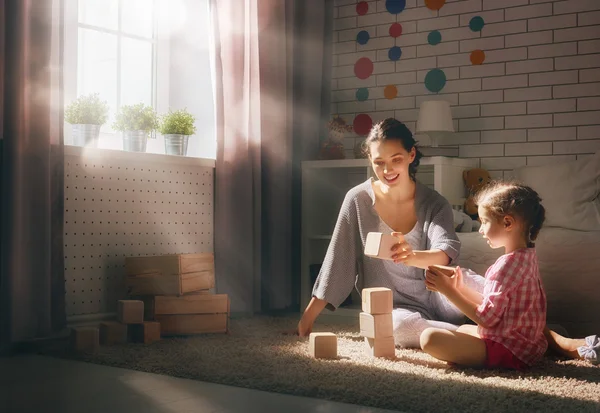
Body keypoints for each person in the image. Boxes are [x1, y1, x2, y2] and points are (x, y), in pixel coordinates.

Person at [297, 118, 485, 347]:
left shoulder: (435, 202)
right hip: (393, 308)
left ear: (411, 155)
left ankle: (516, 327)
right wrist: (306, 320)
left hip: (440, 297)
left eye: (396, 159)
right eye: (379, 162)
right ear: (370, 160)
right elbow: (338, 261)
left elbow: (445, 252)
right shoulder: (357, 200)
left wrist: (411, 256)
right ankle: (481, 335)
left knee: (470, 280)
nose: (387, 170)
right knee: (397, 328)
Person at [422, 182, 599, 369]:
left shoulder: (505, 266)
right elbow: (496, 307)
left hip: (510, 350)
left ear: (507, 223)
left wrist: (448, 291)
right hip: (525, 344)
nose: (480, 229)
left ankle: (483, 359)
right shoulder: (526, 256)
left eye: (484, 221)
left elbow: (487, 319)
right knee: (464, 329)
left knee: (429, 338)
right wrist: (459, 288)